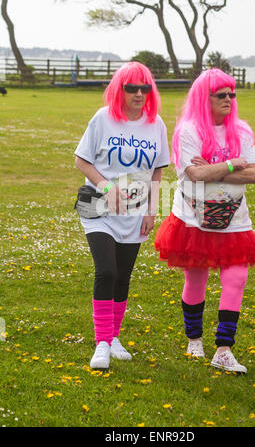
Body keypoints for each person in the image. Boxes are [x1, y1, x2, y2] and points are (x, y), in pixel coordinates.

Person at [155, 68, 255, 373]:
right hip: (193, 219)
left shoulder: (241, 130)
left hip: (234, 219)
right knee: (196, 279)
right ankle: (194, 340)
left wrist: (215, 168)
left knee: (237, 277)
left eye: (232, 94)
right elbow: (195, 174)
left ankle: (224, 349)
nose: (229, 100)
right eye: (221, 95)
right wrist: (231, 164)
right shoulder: (188, 130)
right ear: (205, 99)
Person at [74, 62, 170, 369]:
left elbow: (156, 173)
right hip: (97, 206)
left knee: (123, 278)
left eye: (145, 88)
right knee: (107, 272)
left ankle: (114, 337)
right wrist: (105, 187)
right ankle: (101, 343)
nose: (139, 93)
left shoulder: (157, 125)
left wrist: (152, 211)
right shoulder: (103, 119)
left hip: (134, 210)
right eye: (132, 88)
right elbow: (81, 160)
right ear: (120, 90)